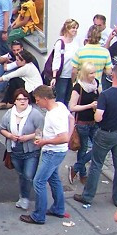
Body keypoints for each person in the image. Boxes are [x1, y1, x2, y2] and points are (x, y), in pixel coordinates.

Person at [73, 65, 117, 208]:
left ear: (113, 76)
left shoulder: (106, 94)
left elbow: (98, 117)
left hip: (105, 133)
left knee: (96, 164)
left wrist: (95, 111)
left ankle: (88, 196)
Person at [21, 85, 72, 224]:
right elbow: (71, 119)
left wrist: (45, 142)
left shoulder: (53, 116)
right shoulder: (60, 106)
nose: (36, 103)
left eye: (37, 100)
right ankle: (58, 208)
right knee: (53, 178)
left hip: (52, 152)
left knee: (39, 181)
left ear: (45, 98)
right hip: (58, 151)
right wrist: (69, 136)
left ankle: (39, 215)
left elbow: (63, 137)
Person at [0, 91, 42, 212]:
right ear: (15, 101)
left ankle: (25, 198)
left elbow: (41, 131)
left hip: (31, 151)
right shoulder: (9, 114)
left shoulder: (35, 114)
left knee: (28, 175)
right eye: (19, 99)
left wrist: (28, 137)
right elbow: (2, 129)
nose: (23, 101)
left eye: (25, 99)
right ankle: (22, 194)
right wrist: (10, 135)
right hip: (14, 150)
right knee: (21, 175)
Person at [67, 62, 101, 186]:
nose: (93, 75)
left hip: (94, 121)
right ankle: (82, 173)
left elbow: (100, 96)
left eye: (94, 73)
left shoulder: (96, 83)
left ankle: (75, 168)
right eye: (91, 73)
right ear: (85, 74)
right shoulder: (78, 87)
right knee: (83, 148)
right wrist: (89, 106)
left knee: (99, 147)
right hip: (82, 122)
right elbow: (72, 107)